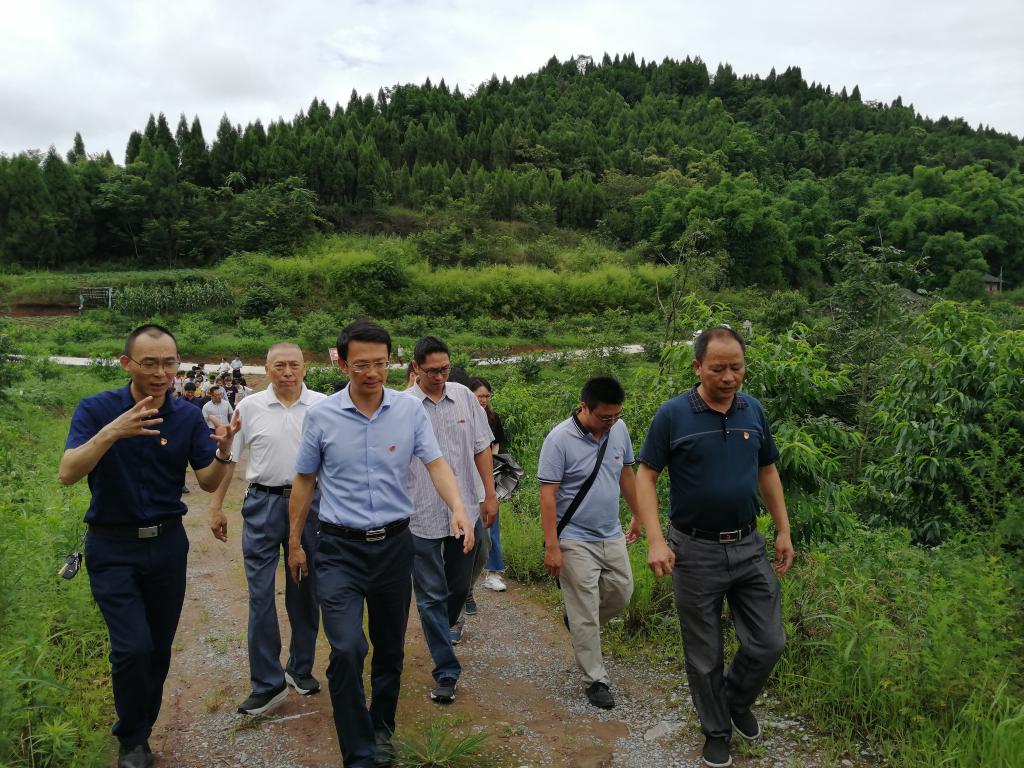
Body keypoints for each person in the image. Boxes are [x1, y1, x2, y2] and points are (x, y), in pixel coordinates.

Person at [287, 320, 475, 768]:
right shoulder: (323, 416)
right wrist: (294, 542)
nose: (372, 373)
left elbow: (436, 463)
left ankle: (381, 730)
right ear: (343, 364)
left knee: (389, 648)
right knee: (348, 648)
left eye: (380, 363)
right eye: (361, 365)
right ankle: (357, 752)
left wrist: (458, 506)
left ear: (391, 361)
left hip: (394, 546)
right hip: (339, 548)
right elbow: (304, 479)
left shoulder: (409, 412)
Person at [58, 324, 240, 768]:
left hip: (167, 546)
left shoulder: (186, 417)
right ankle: (131, 739)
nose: (161, 373)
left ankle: (141, 732)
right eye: (150, 363)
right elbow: (68, 472)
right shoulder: (97, 409)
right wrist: (112, 432)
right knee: (132, 647)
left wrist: (223, 452)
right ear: (127, 364)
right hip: (112, 546)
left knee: (157, 649)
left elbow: (207, 481)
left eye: (169, 363)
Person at [635, 326, 794, 768]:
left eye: (736, 368)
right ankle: (717, 730)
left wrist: (783, 530)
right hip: (694, 550)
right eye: (718, 368)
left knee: (769, 641)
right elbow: (646, 475)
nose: (728, 377)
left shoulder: (752, 410)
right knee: (703, 653)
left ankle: (735, 700)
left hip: (748, 544)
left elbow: (767, 471)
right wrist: (655, 540)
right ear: (698, 367)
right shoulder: (672, 415)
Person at [208, 343, 326, 716]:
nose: (287, 372)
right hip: (263, 504)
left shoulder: (323, 406)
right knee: (260, 594)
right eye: (279, 365)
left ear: (305, 368)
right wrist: (216, 506)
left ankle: (300, 667)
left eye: (294, 365)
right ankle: (266, 683)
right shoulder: (249, 406)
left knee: (305, 589)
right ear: (266, 368)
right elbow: (230, 460)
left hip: (311, 505)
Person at [537, 376, 640, 710]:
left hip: (611, 532)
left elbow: (626, 474)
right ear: (585, 407)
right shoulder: (559, 439)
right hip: (574, 538)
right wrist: (552, 546)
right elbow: (548, 496)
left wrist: (638, 514)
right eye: (605, 417)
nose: (611, 422)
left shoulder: (619, 430)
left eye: (616, 415)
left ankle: (580, 622)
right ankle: (596, 680)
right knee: (585, 609)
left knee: (622, 592)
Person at [406, 339, 497, 703]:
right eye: (432, 371)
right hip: (420, 514)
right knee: (430, 595)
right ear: (416, 368)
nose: (440, 376)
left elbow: (481, 448)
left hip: (466, 512)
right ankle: (446, 669)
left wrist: (490, 495)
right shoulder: (403, 406)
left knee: (458, 587)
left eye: (445, 369)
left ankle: (439, 631)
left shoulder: (464, 398)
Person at [469, 376, 508, 594]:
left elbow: (496, 444)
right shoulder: (463, 417)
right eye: (479, 396)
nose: (483, 400)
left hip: (487, 478)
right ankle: (465, 581)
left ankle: (493, 573)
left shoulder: (493, 417)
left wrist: (489, 463)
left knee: (491, 526)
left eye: (486, 396)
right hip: (467, 480)